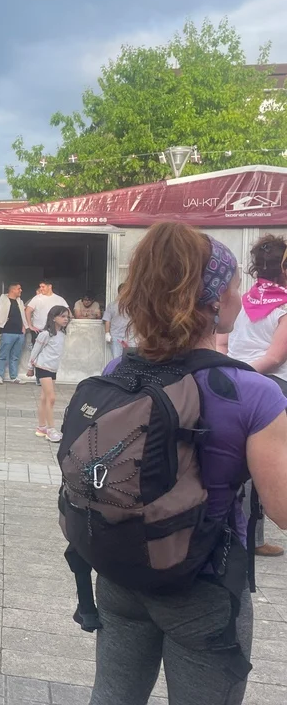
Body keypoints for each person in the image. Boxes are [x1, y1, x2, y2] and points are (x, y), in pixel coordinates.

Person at [87, 221, 287, 705]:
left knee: (112, 695)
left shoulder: (119, 371)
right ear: (214, 300)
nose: (239, 297)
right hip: (204, 586)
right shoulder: (253, 393)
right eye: (234, 286)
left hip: (121, 570)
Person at [218, 234, 287, 558]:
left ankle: (237, 531)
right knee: (265, 466)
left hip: (235, 384)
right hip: (273, 388)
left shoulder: (242, 301)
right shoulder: (284, 306)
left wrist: (233, 374)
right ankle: (253, 538)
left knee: (237, 463)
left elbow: (222, 344)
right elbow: (275, 357)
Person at [27, 305, 70, 443]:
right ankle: (51, 429)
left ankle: (41, 427)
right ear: (53, 318)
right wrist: (30, 367)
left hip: (52, 369)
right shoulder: (45, 334)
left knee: (44, 398)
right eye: (62, 316)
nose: (66, 319)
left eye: (67, 317)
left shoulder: (62, 334)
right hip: (43, 367)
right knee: (51, 398)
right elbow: (35, 350)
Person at [0, 282, 28, 384]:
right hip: (7, 332)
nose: (21, 290)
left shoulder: (20, 302)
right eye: (19, 288)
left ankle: (14, 377)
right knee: (3, 355)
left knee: (15, 356)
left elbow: (23, 316)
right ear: (13, 290)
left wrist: (24, 328)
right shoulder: (1, 301)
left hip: (19, 333)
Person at [103, 283, 133, 359]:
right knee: (117, 359)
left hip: (130, 336)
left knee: (130, 359)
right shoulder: (112, 305)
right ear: (120, 292)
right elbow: (107, 320)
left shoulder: (133, 305)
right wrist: (107, 334)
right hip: (116, 336)